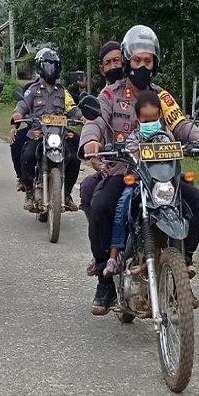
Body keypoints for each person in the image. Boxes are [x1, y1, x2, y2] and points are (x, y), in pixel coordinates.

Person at [80, 25, 199, 315]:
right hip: (123, 171)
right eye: (137, 61)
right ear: (128, 61)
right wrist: (90, 141)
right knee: (102, 205)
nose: (142, 67)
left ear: (155, 63)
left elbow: (180, 124)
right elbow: (95, 122)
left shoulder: (162, 97)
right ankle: (104, 277)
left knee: (196, 200)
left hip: (161, 172)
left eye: (148, 61)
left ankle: (183, 264)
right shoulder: (110, 94)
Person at [103, 89, 168, 276]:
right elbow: (134, 154)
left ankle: (183, 259)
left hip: (161, 185)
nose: (151, 124)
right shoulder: (134, 138)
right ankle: (113, 257)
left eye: (154, 120)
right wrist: (141, 150)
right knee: (123, 204)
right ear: (138, 122)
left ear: (161, 117)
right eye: (146, 121)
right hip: (139, 184)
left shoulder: (166, 138)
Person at [9, 48, 81, 212]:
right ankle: (28, 192)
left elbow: (72, 108)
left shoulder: (62, 91)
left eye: (54, 65)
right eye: (47, 64)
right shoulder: (33, 89)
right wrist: (17, 117)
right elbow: (22, 106)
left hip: (59, 133)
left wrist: (82, 117)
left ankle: (67, 194)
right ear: (40, 67)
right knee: (27, 154)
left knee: (75, 158)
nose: (51, 68)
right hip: (38, 133)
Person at [80, 40, 125, 276]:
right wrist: (93, 151)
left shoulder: (153, 92)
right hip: (115, 166)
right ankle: (103, 255)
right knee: (90, 190)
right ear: (102, 69)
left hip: (151, 168)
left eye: (118, 60)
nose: (113, 66)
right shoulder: (105, 97)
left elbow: (173, 122)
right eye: (108, 62)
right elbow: (93, 124)